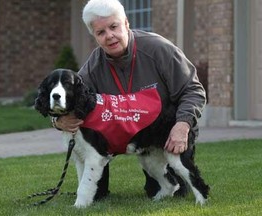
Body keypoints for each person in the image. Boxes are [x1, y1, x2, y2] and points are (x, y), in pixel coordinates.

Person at [53, 0, 206, 200]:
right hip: (122, 134)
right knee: (96, 195)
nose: (109, 36)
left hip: (167, 127)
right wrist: (58, 121)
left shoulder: (159, 49)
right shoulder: (92, 67)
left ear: (126, 23)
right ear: (95, 37)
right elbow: (71, 97)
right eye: (101, 32)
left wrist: (183, 125)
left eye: (113, 26)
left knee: (173, 190)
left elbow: (193, 90)